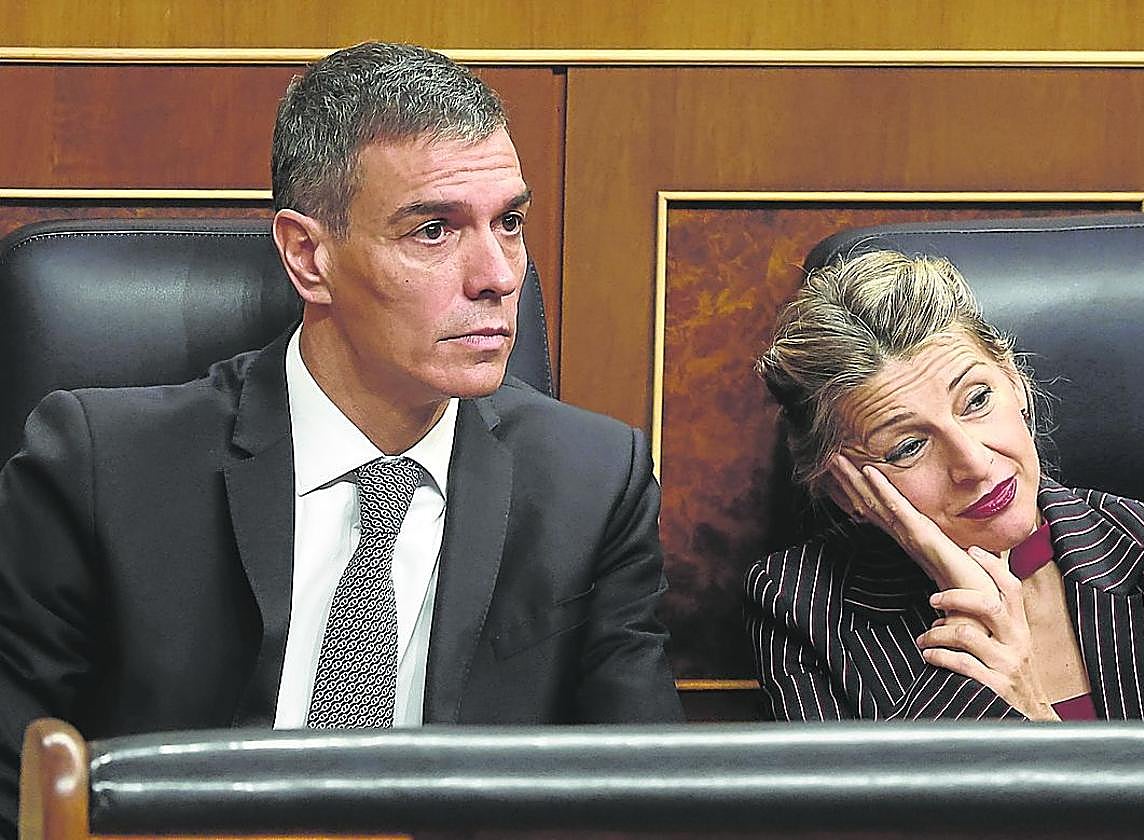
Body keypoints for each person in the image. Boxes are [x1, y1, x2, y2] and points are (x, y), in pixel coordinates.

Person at [0, 41, 681, 835]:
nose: (498, 275)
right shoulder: (103, 467)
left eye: (510, 223)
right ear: (308, 257)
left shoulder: (593, 483)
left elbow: (643, 798)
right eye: (434, 230)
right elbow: (14, 786)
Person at [745, 249, 1144, 722]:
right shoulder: (801, 607)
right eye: (908, 447)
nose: (975, 464)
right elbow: (879, 777)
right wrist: (970, 617)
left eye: (977, 400)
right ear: (844, 488)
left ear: (1014, 381)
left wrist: (1034, 713)